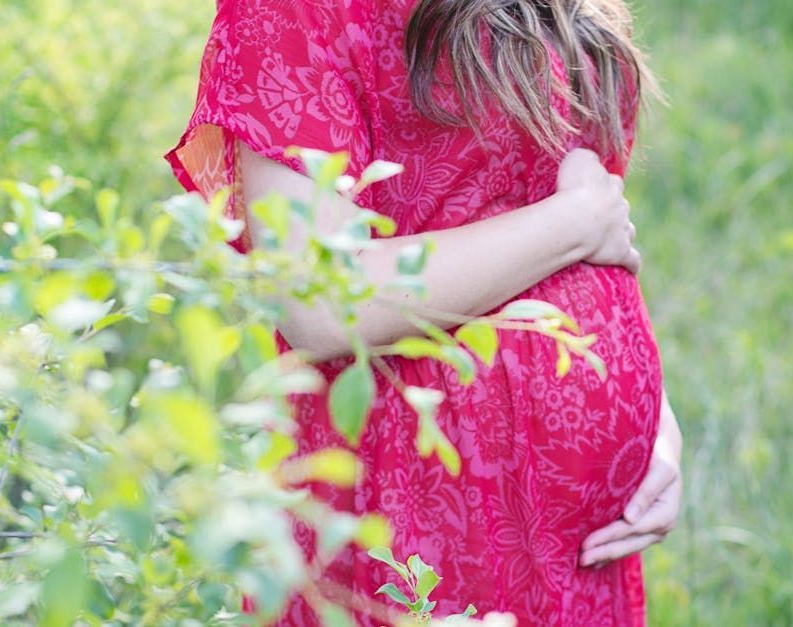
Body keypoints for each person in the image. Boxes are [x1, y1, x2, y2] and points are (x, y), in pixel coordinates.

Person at [166, 1, 683, 624]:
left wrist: (656, 427)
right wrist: (570, 225)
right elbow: (322, 301)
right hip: (418, 520)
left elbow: (596, 222)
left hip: (579, 548)